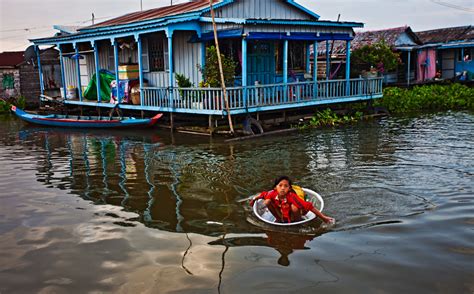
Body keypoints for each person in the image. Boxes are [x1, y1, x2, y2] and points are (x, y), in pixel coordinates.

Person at [251, 176, 335, 224]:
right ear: (275, 188)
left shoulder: (291, 196)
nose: (283, 188)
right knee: (267, 201)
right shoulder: (272, 193)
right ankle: (279, 219)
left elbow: (309, 206)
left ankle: (298, 222)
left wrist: (324, 218)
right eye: (280, 185)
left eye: (286, 186)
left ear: (289, 188)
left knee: (294, 206)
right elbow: (263, 194)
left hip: (294, 215)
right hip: (281, 213)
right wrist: (254, 199)